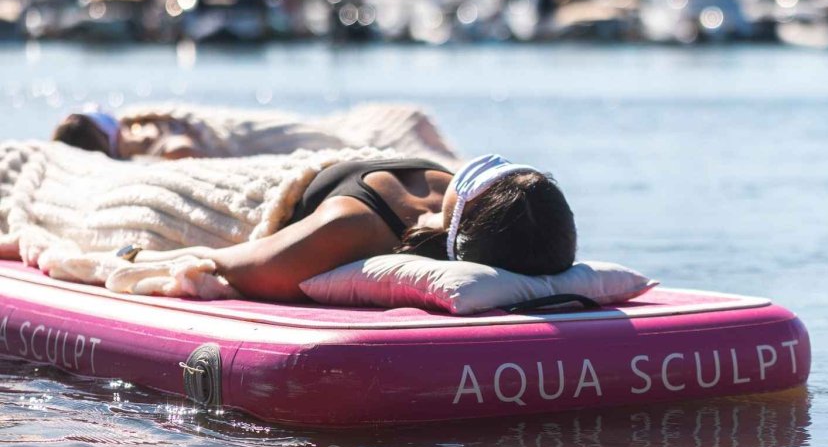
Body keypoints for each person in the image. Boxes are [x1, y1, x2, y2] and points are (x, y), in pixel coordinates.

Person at [1, 146, 576, 303]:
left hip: (191, 205)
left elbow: (235, 264)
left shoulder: (354, 227)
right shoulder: (448, 183)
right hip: (247, 175)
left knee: (55, 188)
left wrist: (132, 258)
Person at [51, 101, 458, 165]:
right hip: (306, 137)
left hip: (315, 135)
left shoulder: (146, 128)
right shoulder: (152, 135)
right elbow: (181, 150)